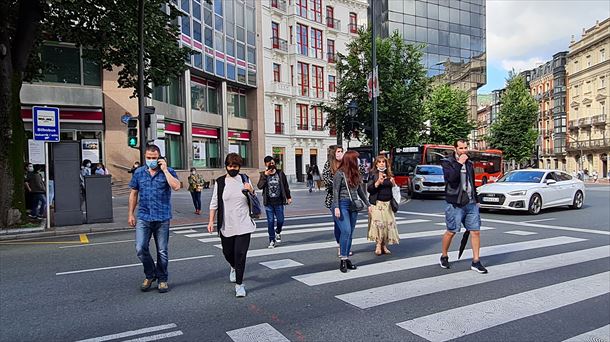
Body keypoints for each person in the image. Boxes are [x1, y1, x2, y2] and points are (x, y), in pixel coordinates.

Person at [128, 144, 181, 293]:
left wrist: (164, 170)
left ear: (160, 158)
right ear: (145, 157)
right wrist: (130, 214)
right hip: (144, 217)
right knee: (140, 248)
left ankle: (162, 279)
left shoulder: (168, 171)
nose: (151, 160)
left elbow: (176, 186)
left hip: (162, 217)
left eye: (154, 158)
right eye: (148, 158)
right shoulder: (139, 173)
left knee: (162, 251)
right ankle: (150, 274)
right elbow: (133, 193)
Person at [207, 153, 256, 297]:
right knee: (228, 253)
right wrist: (211, 221)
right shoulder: (220, 182)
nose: (232, 168)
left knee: (240, 253)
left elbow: (254, 199)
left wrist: (251, 190)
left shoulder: (245, 179)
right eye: (229, 166)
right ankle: (233, 266)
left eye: (235, 166)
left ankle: (239, 285)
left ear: (239, 167)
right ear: (226, 166)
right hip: (227, 224)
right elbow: (214, 203)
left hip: (244, 223)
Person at [439, 139, 487, 274]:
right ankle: (444, 255)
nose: (464, 151)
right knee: (451, 231)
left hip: (471, 202)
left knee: (475, 231)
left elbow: (472, 182)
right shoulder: (447, 162)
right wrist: (459, 163)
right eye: (461, 148)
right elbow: (451, 180)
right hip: (455, 202)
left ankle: (476, 261)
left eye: (466, 147)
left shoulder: (470, 163)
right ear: (455, 149)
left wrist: (477, 199)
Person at [333, 150, 372, 273]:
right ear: (350, 160)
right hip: (342, 204)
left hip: (354, 204)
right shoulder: (339, 173)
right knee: (346, 230)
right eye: (356, 159)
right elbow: (335, 191)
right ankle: (343, 259)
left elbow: (360, 191)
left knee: (350, 233)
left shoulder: (356, 173)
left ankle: (347, 258)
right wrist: (337, 207)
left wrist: (368, 204)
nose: (358, 161)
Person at [367, 155, 400, 255]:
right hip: (377, 204)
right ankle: (378, 245)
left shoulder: (389, 174)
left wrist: (393, 184)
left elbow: (394, 190)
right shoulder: (373, 174)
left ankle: (384, 245)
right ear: (376, 164)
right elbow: (369, 189)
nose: (382, 164)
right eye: (379, 162)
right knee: (379, 225)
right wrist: (377, 183)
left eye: (383, 162)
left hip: (388, 204)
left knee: (387, 226)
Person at [258, 156, 292, 248]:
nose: (272, 165)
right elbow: (260, 186)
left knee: (281, 220)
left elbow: (285, 186)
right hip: (268, 202)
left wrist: (288, 197)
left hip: (279, 201)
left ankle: (278, 231)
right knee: (270, 221)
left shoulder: (280, 173)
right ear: (266, 164)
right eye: (269, 163)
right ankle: (272, 240)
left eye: (273, 163)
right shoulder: (263, 174)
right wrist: (265, 175)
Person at [323, 145, 349, 257]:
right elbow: (325, 179)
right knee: (338, 223)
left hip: (346, 197)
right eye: (338, 151)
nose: (340, 153)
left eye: (342, 151)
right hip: (333, 198)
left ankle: (344, 246)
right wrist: (338, 182)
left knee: (344, 225)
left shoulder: (346, 163)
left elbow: (358, 171)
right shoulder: (328, 165)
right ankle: (340, 245)